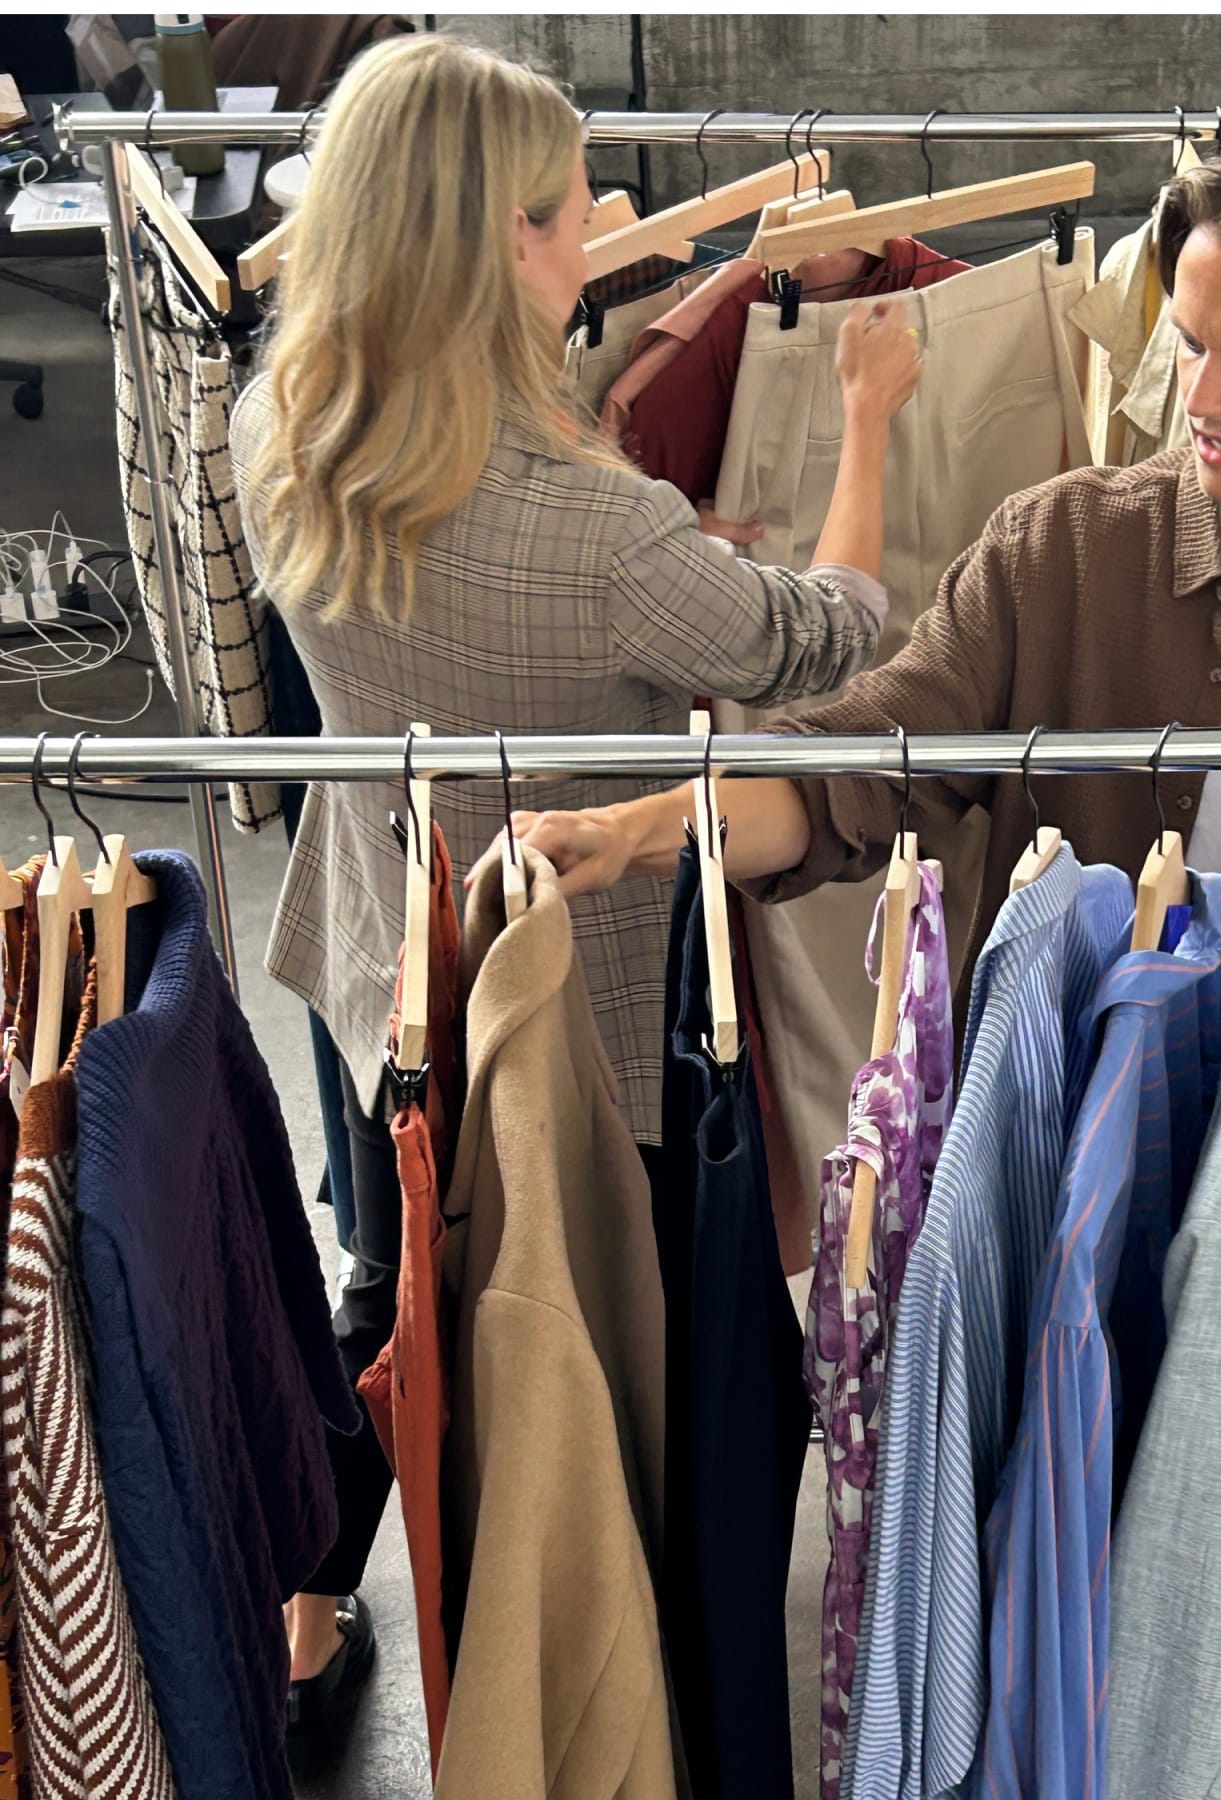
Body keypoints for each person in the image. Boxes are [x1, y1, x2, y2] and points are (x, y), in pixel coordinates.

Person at [229, 33, 920, 1728]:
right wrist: (869, 425)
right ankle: (627, 1668)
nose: (601, 223)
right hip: (586, 984)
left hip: (388, 930)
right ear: (497, 250)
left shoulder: (285, 428)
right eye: (566, 212)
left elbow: (491, 604)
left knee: (402, 1268)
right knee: (605, 1325)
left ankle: (305, 1613)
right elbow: (820, 643)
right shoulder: (598, 533)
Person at [508, 120, 1221, 934]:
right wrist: (639, 831)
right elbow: (860, 762)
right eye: (1193, 344)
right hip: (1081, 1139)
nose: (1200, 398)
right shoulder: (1063, 546)